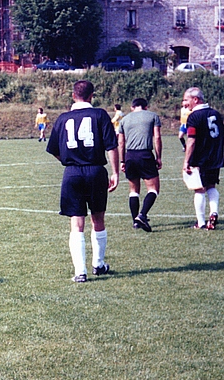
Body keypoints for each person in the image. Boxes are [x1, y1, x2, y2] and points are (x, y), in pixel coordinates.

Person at [47, 80, 119, 282]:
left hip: (72, 173)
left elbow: (54, 150)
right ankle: (98, 264)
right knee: (98, 219)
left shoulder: (62, 118)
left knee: (76, 224)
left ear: (73, 96)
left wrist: (70, 160)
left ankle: (80, 272)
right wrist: (115, 172)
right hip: (96, 171)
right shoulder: (100, 115)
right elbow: (112, 146)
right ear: (91, 96)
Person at [181, 87, 224, 230]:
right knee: (211, 186)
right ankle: (213, 213)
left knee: (199, 189)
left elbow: (191, 140)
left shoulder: (194, 117)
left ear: (196, 99)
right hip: (216, 157)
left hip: (200, 158)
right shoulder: (216, 113)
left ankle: (201, 222)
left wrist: (186, 161)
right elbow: (223, 133)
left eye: (186, 100)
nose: (184, 103)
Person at [117, 97, 163, 232]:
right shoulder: (153, 116)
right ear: (146, 107)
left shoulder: (124, 120)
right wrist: (159, 157)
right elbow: (158, 137)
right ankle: (142, 215)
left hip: (130, 156)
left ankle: (135, 222)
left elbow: (121, 143)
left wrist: (122, 160)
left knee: (133, 190)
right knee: (153, 189)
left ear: (132, 107)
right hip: (145, 155)